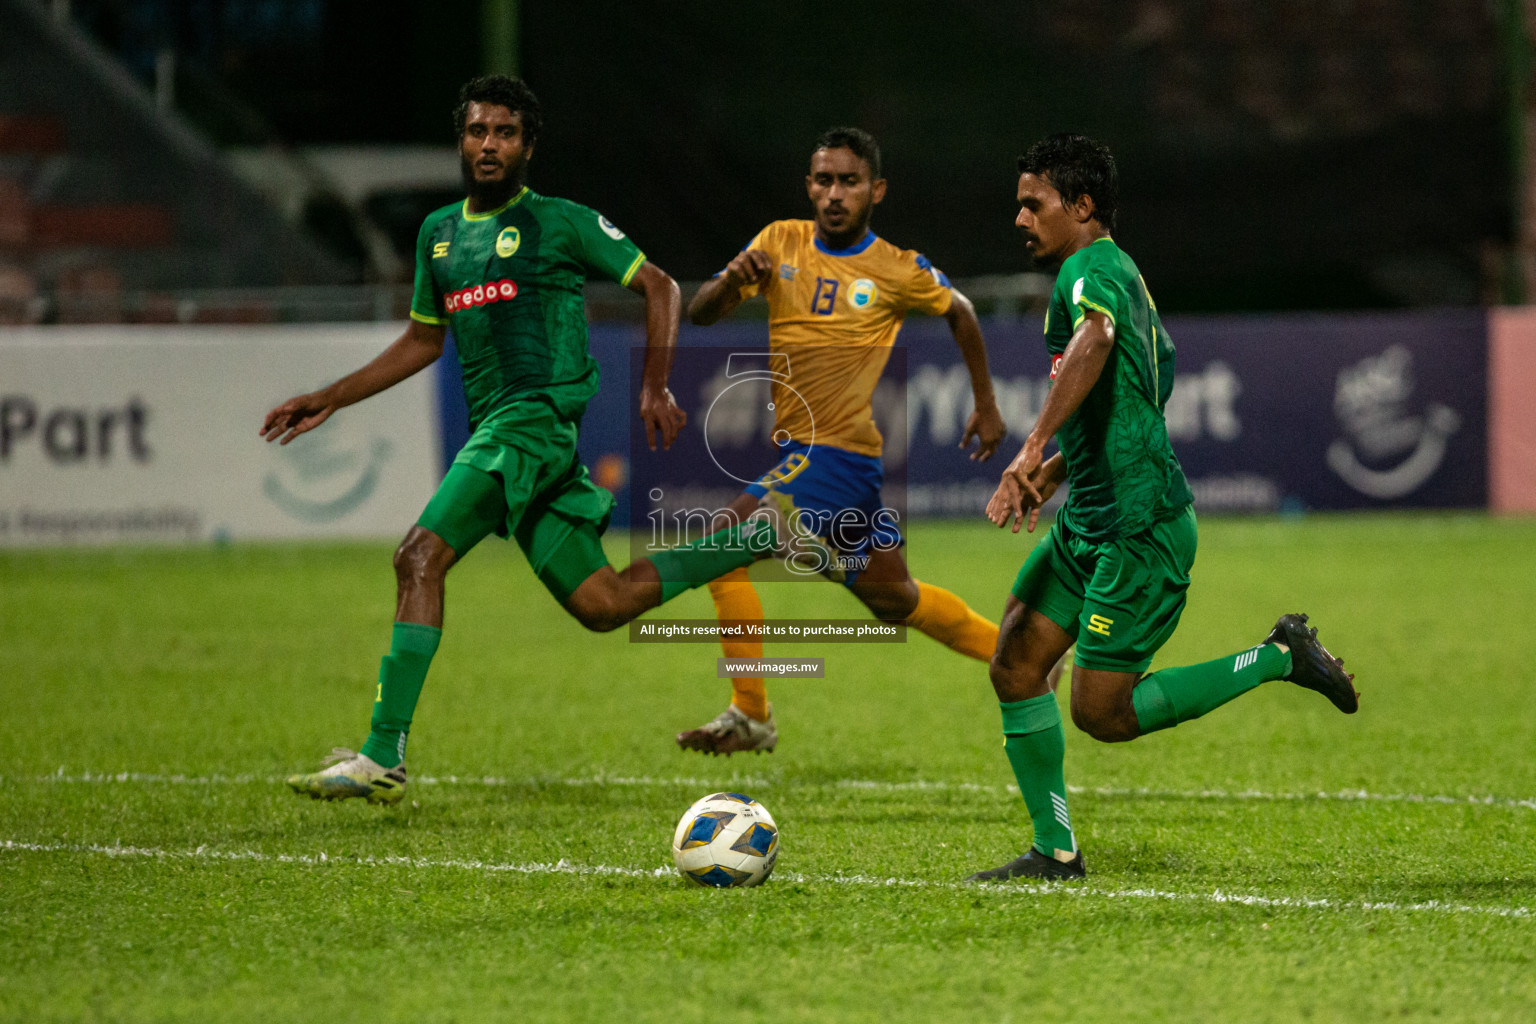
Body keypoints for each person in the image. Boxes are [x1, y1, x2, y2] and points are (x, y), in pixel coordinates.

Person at [265, 76, 789, 804]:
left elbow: (662, 287)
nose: (489, 145)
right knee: (602, 605)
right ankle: (749, 537)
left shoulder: (562, 222)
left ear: (527, 146)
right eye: (478, 131)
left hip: (533, 422)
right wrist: (331, 396)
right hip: (506, 436)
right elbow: (422, 341)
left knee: (418, 556)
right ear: (461, 139)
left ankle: (382, 753)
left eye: (505, 133)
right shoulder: (438, 235)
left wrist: (653, 385)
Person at [970, 133, 1358, 881]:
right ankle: (1055, 853)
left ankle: (1279, 656)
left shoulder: (1092, 272)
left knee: (1101, 713)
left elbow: (1098, 336)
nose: (1019, 218)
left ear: (1081, 207)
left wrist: (1031, 445)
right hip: (1092, 515)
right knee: (1017, 662)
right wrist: (1058, 468)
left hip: (1139, 530)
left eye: (1033, 203)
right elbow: (1149, 381)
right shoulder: (1124, 275)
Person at [676, 126, 1012, 756]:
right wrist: (730, 282)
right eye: (823, 180)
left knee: (718, 546)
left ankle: (750, 712)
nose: (834, 193)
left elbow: (962, 311)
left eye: (849, 181)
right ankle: (1019, 658)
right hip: (833, 462)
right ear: (809, 185)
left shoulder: (896, 268)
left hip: (832, 455)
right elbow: (701, 311)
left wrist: (987, 404)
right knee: (895, 599)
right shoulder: (778, 241)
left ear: (875, 190)